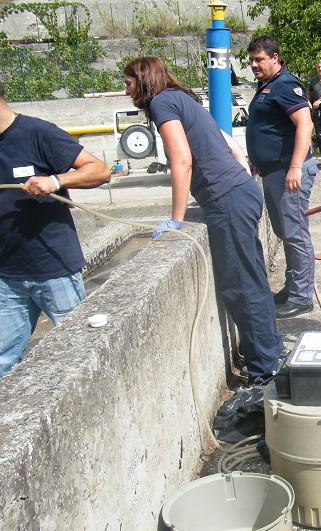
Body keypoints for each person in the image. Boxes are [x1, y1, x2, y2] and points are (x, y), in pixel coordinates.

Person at [0, 64, 112, 386]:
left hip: (55, 269)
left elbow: (100, 171)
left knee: (79, 350)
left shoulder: (39, 133)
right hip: (9, 274)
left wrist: (55, 180)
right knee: (2, 359)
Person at [122, 56, 283, 386]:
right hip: (240, 192)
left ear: (143, 79)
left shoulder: (162, 103)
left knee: (239, 286)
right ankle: (270, 351)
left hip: (226, 199)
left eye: (128, 83)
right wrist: (239, 172)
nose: (126, 91)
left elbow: (182, 160)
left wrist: (175, 220)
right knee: (251, 278)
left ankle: (263, 372)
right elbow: (229, 144)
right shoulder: (182, 98)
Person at [246, 35, 318, 319]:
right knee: (286, 234)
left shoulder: (285, 85)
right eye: (251, 60)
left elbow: (305, 124)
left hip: (289, 173)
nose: (254, 65)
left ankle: (302, 296)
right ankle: (292, 288)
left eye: (259, 59)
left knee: (296, 234)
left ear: (275, 58)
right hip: (274, 172)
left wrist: (296, 167)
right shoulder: (267, 86)